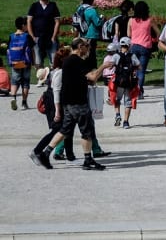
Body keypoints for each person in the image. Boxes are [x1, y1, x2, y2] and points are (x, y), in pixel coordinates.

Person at [31, 38, 107, 170]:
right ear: (79, 47)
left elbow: (83, 80)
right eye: (86, 46)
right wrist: (104, 66)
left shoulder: (67, 61)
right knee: (87, 131)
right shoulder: (77, 61)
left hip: (68, 103)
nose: (88, 48)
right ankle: (88, 159)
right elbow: (93, 78)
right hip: (78, 102)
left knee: (64, 130)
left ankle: (46, 153)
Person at [26, 0, 61, 67]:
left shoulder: (53, 5)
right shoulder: (34, 6)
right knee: (38, 62)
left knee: (54, 62)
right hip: (37, 37)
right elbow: (29, 21)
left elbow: (57, 22)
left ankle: (53, 79)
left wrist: (54, 37)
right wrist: (32, 36)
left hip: (50, 37)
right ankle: (40, 79)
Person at [127, 0, 157, 95]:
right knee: (141, 70)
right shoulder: (149, 20)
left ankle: (134, 89)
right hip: (145, 46)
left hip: (133, 46)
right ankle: (139, 90)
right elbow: (158, 32)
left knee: (134, 70)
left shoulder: (131, 20)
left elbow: (128, 34)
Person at [107, 37, 139, 127]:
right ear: (129, 46)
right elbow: (139, 67)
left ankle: (117, 115)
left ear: (120, 45)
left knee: (117, 99)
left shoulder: (116, 56)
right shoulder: (132, 56)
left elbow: (110, 67)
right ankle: (126, 122)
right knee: (128, 102)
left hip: (119, 83)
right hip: (129, 83)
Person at [8, 16, 34, 110]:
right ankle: (24, 102)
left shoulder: (11, 36)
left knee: (14, 81)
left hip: (15, 62)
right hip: (25, 62)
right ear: (23, 26)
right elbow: (32, 50)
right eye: (26, 25)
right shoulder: (27, 36)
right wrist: (33, 62)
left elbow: (9, 49)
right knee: (26, 83)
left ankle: (13, 97)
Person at [73, 0, 104, 65]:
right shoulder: (91, 10)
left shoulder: (80, 8)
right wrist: (102, 19)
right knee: (91, 54)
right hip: (91, 35)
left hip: (82, 33)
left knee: (83, 53)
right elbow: (97, 23)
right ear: (92, 0)